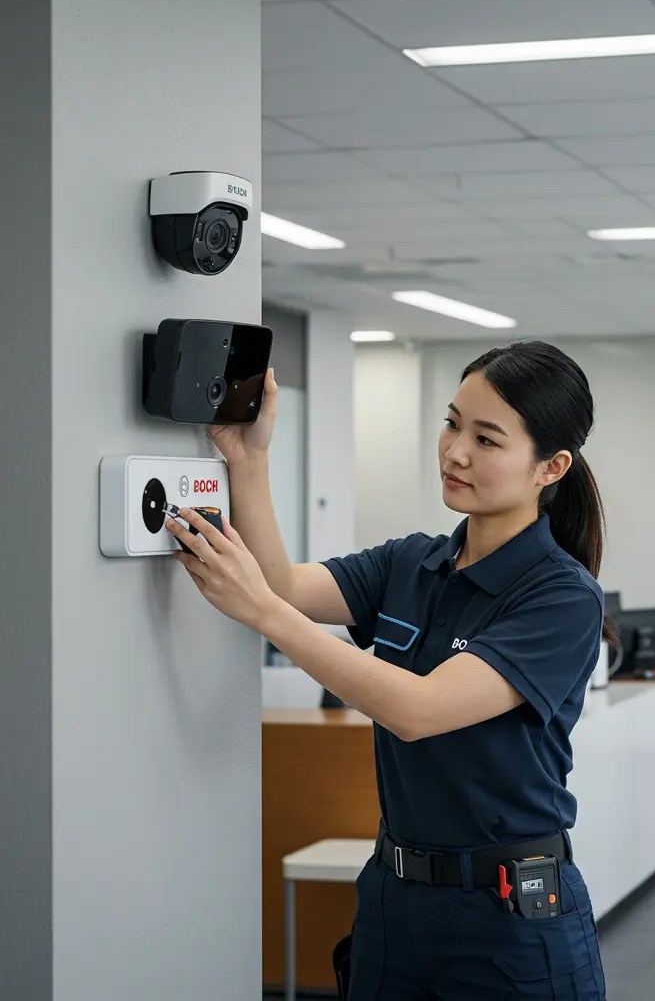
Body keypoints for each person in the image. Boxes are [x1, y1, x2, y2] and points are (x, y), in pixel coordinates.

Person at [164, 340, 612, 999]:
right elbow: (284, 587)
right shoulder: (411, 563)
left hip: (507, 917)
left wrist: (263, 612)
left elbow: (417, 711)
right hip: (392, 901)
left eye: (487, 439)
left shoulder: (562, 595)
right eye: (453, 422)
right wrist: (249, 458)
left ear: (551, 467)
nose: (456, 450)